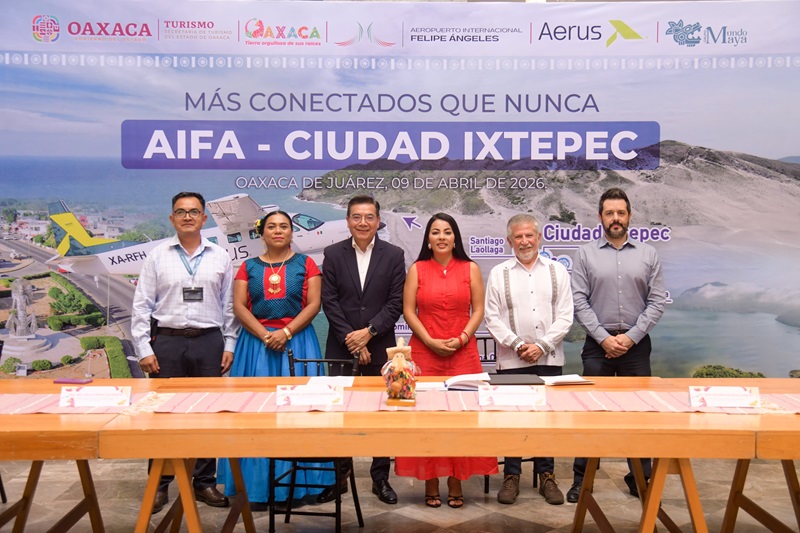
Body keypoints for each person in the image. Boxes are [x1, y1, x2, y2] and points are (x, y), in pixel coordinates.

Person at [216, 210, 332, 512]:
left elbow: (314, 305)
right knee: (254, 415)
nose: (278, 231)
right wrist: (265, 334)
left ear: (292, 232)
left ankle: (300, 485)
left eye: (284, 226)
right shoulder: (247, 267)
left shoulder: (307, 264)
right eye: (272, 227)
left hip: (297, 343)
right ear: (261, 233)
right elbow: (239, 307)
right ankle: (254, 486)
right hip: (256, 347)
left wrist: (286, 331)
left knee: (300, 415)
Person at [131, 191, 239, 514]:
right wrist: (143, 348)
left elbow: (228, 307)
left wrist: (229, 343)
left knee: (209, 415)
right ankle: (160, 484)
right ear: (172, 219)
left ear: (204, 218)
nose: (188, 217)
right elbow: (141, 306)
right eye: (181, 212)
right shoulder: (157, 256)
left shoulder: (221, 256)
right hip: (167, 342)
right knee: (162, 415)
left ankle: (204, 481)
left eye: (194, 212)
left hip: (209, 342)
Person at [567, 187, 667, 503]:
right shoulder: (584, 254)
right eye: (609, 213)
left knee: (639, 415)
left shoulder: (648, 254)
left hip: (636, 346)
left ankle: (640, 480)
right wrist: (605, 338)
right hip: (598, 344)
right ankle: (581, 480)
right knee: (589, 414)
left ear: (629, 216)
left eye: (620, 213)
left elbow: (657, 301)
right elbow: (579, 300)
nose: (615, 218)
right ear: (600, 217)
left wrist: (630, 337)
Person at [394, 213, 498, 509]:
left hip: (462, 354)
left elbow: (478, 310)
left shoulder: (470, 268)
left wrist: (463, 338)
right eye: (436, 232)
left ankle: (455, 481)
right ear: (427, 238)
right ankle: (430, 482)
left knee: (462, 420)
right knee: (426, 420)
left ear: (455, 238)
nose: (442, 237)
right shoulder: (417, 269)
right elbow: (409, 310)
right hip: (425, 353)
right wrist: (428, 340)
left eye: (447, 232)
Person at [320, 195, 406, 505]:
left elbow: (395, 302)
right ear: (347, 221)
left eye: (369, 217)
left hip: (381, 347)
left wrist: (367, 334)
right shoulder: (332, 254)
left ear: (378, 220)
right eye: (356, 217)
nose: (363, 223)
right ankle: (340, 476)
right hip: (341, 347)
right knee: (339, 413)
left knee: (383, 413)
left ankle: (380, 477)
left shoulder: (394, 255)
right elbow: (328, 301)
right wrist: (351, 339)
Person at [484, 214, 573, 506]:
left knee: (545, 420)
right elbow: (492, 317)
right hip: (512, 361)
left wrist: (542, 346)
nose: (524, 242)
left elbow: (565, 316)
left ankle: (546, 476)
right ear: (510, 241)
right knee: (513, 418)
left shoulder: (557, 271)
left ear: (539, 238)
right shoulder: (499, 273)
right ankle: (511, 476)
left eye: (529, 236)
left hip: (549, 358)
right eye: (518, 237)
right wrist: (520, 345)